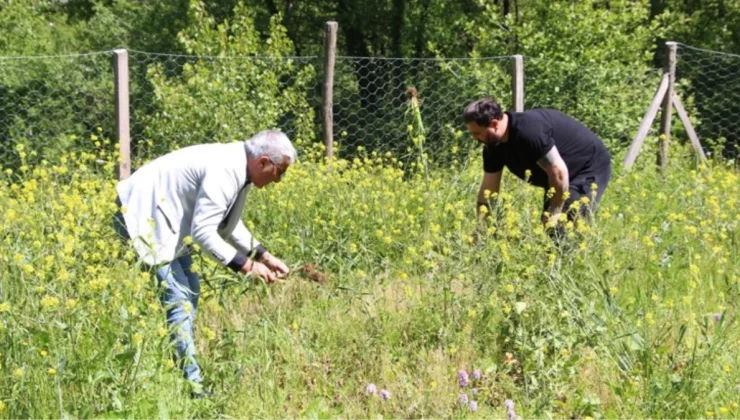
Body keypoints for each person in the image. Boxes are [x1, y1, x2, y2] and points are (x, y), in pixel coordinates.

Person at [112, 130, 295, 398]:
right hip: (141, 211)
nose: (279, 181)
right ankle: (193, 388)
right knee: (179, 298)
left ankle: (178, 363)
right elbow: (204, 232)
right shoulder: (226, 168)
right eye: (280, 172)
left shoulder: (240, 167)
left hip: (165, 218)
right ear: (263, 162)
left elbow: (228, 223)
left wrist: (263, 256)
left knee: (191, 289)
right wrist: (247, 266)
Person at [463, 98, 612, 230]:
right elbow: (489, 189)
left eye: (477, 133)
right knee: (550, 230)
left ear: (495, 124)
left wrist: (555, 210)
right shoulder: (492, 145)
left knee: (563, 227)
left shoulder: (528, 132)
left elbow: (558, 171)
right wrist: (481, 230)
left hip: (586, 167)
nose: (475, 138)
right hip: (557, 177)